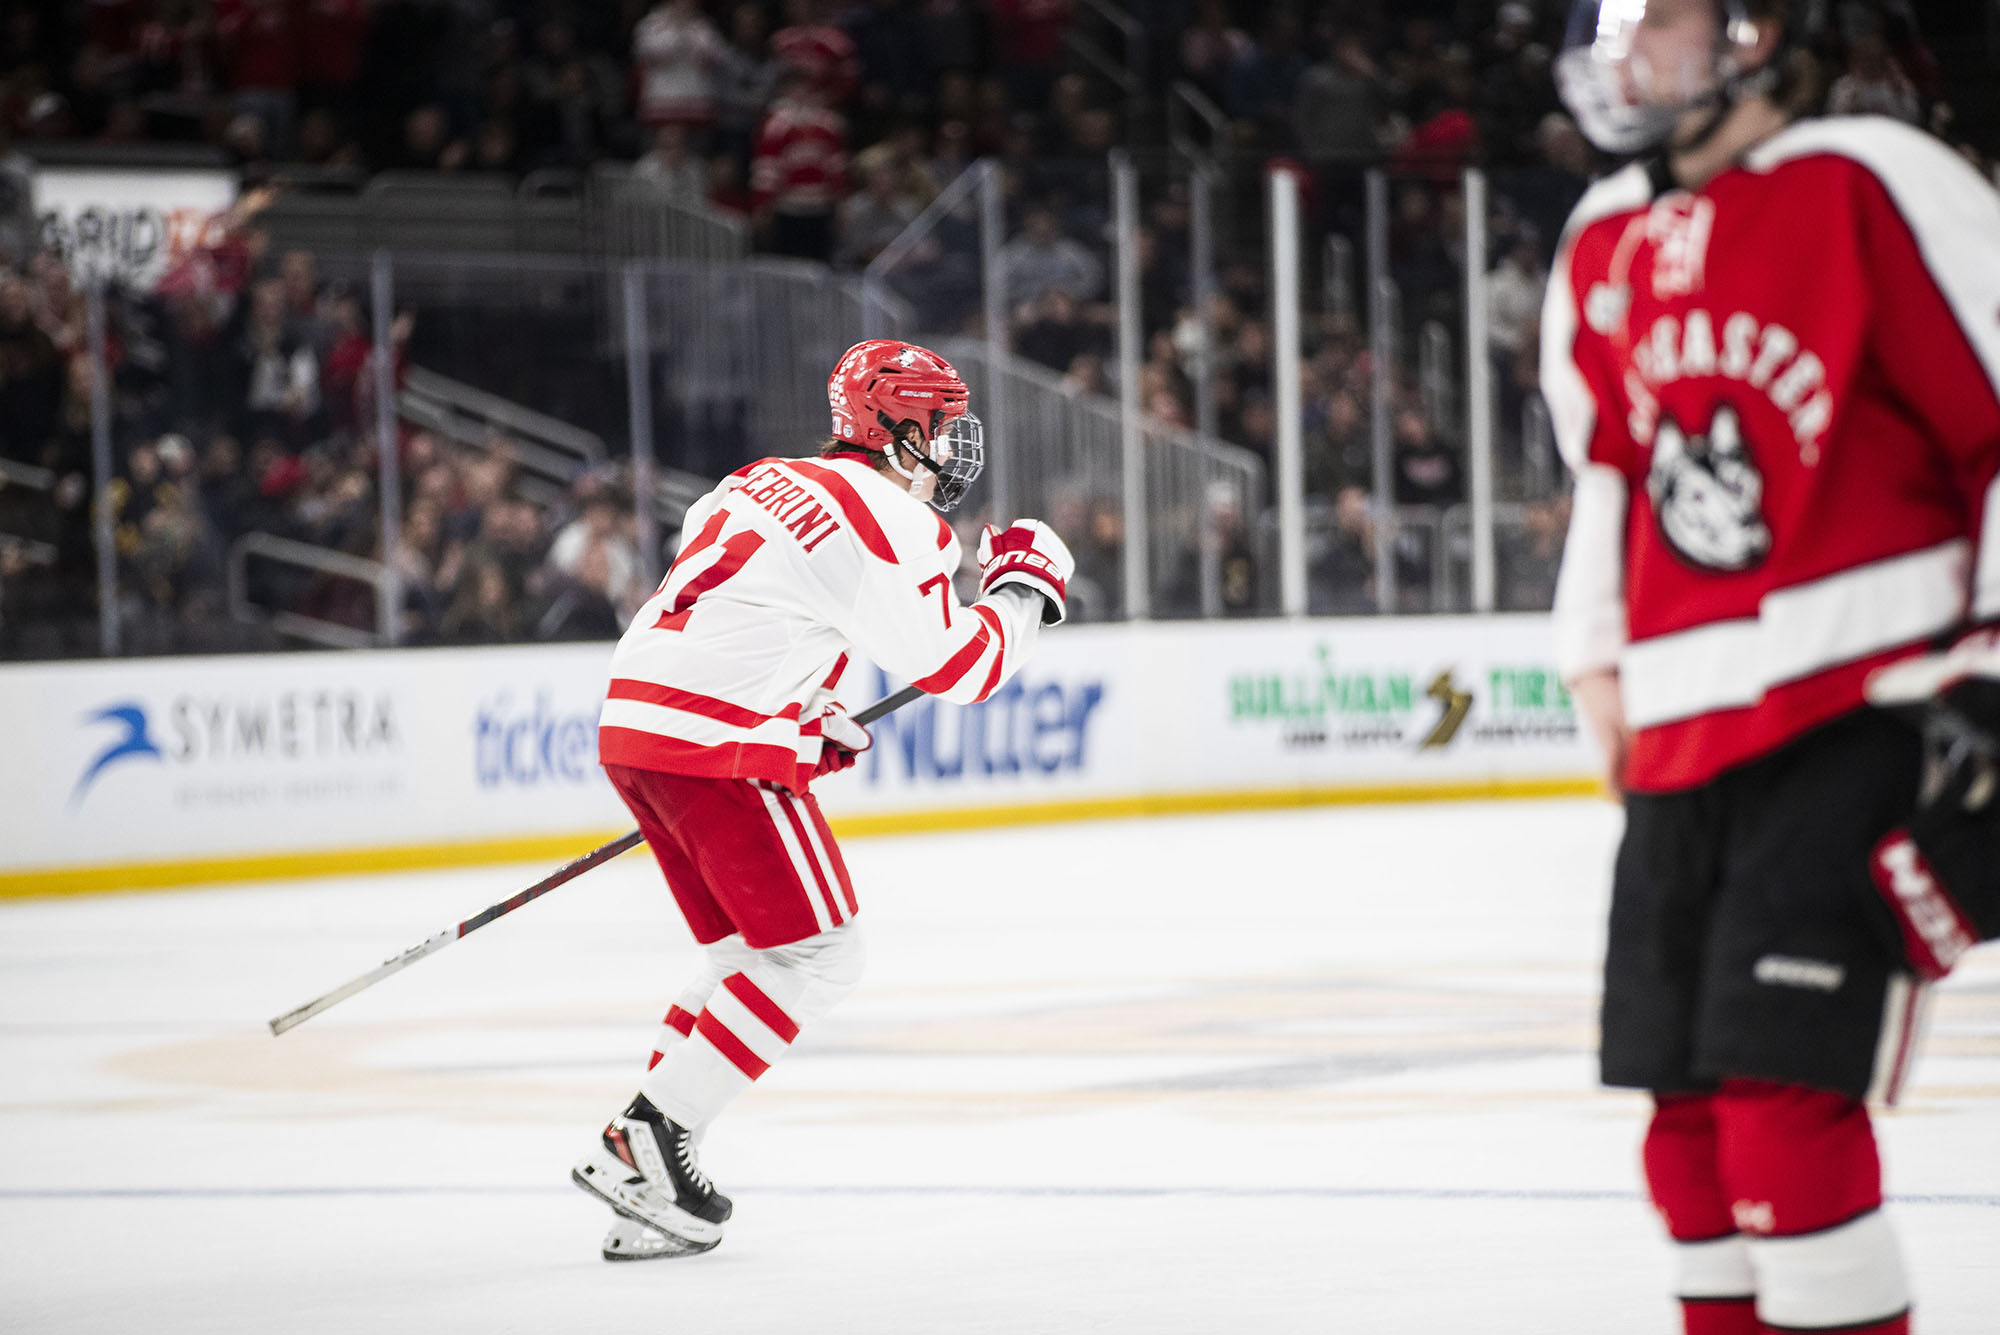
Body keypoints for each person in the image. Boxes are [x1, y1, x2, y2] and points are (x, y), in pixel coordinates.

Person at [1545, 3, 2000, 1333]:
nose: (1626, 53)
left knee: (1783, 1117)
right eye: (1614, 25)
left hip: (1858, 698)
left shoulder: (1873, 178)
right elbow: (1612, 475)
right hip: (1681, 733)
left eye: (1661, 23)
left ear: (1753, 33)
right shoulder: (1602, 235)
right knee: (1683, 1129)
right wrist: (1594, 663)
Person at [572, 340, 1074, 1260]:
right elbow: (960, 668)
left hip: (634, 729)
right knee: (818, 954)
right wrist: (1024, 593)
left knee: (740, 954)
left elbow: (743, 611)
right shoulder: (896, 518)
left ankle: (647, 1181)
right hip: (712, 745)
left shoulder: (756, 478)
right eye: (942, 421)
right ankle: (650, 1131)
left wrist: (802, 710)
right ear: (896, 427)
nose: (958, 441)